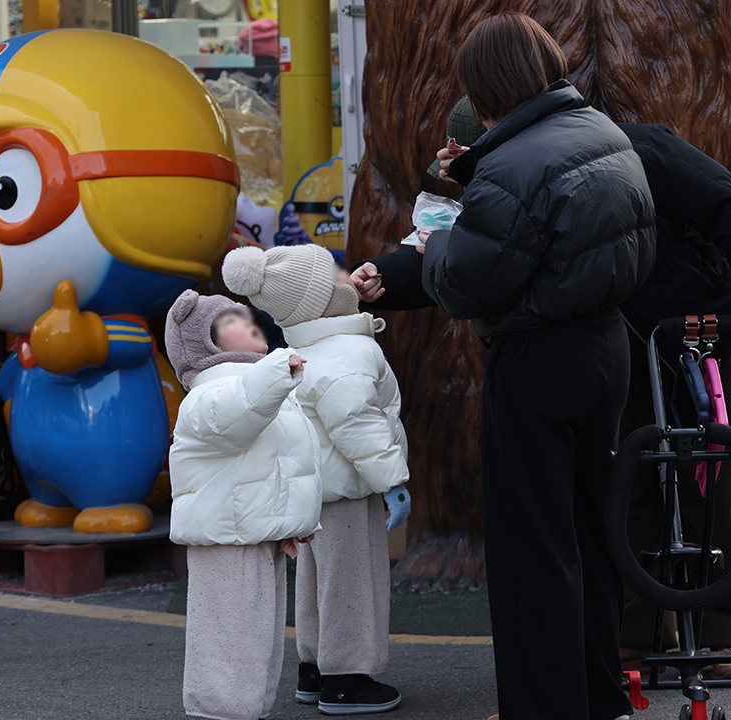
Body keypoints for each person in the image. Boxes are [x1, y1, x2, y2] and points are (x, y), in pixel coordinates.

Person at [356, 90, 731, 680]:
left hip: (696, 336)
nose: (452, 161)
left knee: (717, 488)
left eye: (465, 148)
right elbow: (474, 252)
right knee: (626, 490)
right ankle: (632, 639)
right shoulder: (507, 177)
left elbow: (729, 205)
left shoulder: (639, 146)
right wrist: (386, 275)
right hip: (616, 349)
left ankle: (730, 631)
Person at [389, 12, 658, 720]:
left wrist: (433, 246)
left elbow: (476, 280)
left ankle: (543, 706)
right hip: (606, 349)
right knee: (589, 534)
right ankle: (601, 697)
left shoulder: (512, 164)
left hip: (538, 360)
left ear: (486, 86)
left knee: (530, 547)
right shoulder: (601, 132)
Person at [222, 244, 411, 716]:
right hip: (347, 489)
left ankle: (314, 668)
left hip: (310, 490)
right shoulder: (349, 350)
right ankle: (347, 678)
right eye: (336, 275)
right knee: (352, 581)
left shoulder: (300, 350)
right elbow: (356, 423)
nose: (348, 277)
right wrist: (392, 481)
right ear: (323, 297)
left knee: (314, 579)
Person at [163, 289, 323, 720]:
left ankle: (243, 711)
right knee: (229, 643)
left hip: (252, 533)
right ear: (204, 342)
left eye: (248, 316)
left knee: (257, 643)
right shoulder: (209, 393)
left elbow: (277, 465)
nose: (249, 323)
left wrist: (292, 519)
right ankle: (219, 713)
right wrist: (273, 372)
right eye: (231, 319)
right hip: (226, 540)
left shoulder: (264, 387)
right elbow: (235, 418)